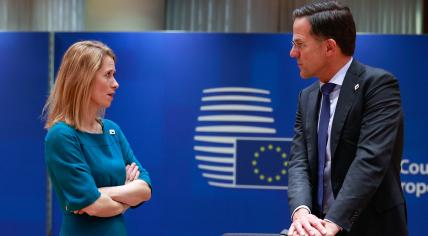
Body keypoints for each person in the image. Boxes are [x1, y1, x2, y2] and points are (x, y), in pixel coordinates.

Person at [286, 1, 408, 236]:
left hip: (372, 227)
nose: (293, 53)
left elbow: (370, 161)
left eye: (300, 44)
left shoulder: (378, 86)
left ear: (329, 47)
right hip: (318, 228)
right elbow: (299, 162)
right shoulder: (307, 97)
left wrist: (333, 222)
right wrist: (301, 214)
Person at [43, 40, 152, 236]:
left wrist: (102, 192)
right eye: (108, 75)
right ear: (83, 79)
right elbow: (94, 206)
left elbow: (145, 189)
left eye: (114, 75)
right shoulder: (61, 136)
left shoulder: (112, 130)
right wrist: (126, 192)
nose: (116, 84)